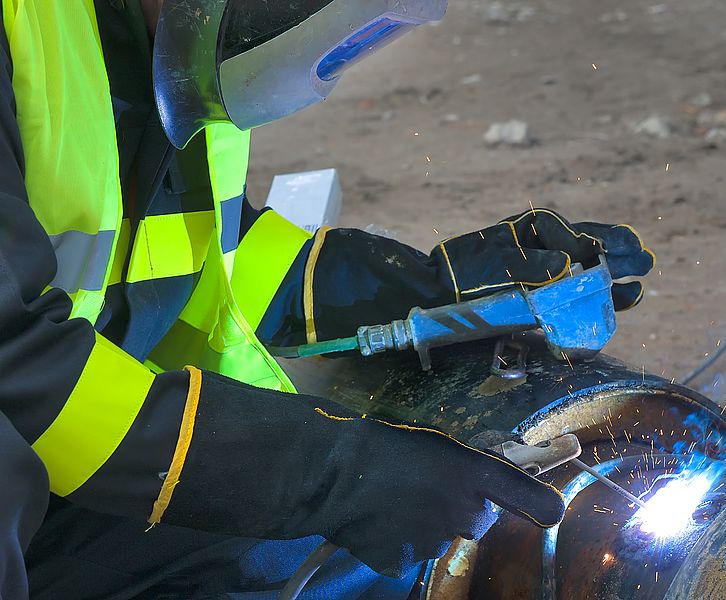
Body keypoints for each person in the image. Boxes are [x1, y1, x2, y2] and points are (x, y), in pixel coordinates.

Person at [0, 0, 655, 598]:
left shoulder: (157, 44)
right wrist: (335, 475)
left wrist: (424, 289)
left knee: (324, 558)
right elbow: (19, 371)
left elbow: (193, 262)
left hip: (56, 493)